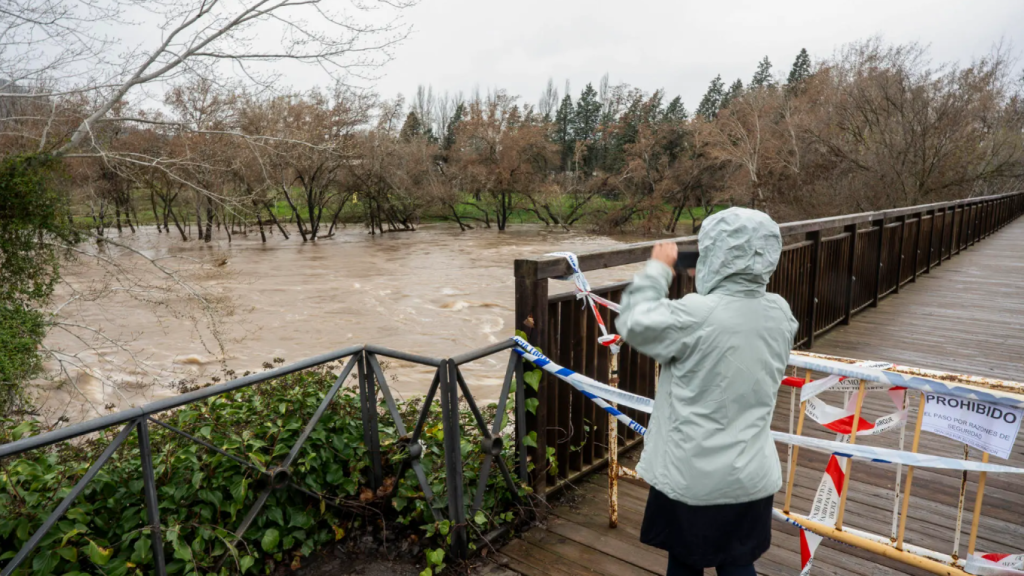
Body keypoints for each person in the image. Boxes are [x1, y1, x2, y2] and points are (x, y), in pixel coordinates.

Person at [615, 207, 799, 576]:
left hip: (693, 478)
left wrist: (658, 269)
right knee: (738, 561)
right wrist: (717, 280)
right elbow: (731, 323)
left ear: (714, 254)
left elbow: (634, 321)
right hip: (751, 474)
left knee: (685, 563)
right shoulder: (780, 313)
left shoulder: (695, 314)